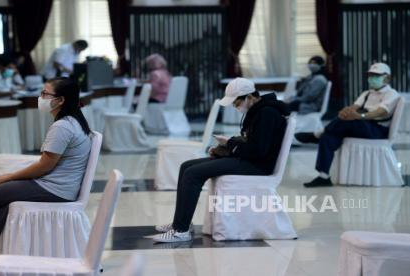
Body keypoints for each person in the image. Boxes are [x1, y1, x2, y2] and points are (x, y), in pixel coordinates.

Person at [0, 77, 92, 269]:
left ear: (60, 100)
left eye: (45, 94)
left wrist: (10, 177)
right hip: (59, 185)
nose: (41, 97)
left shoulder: (62, 126)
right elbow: (48, 164)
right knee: (1, 198)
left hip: (54, 189)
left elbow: (44, 166)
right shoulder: (73, 121)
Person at [152, 77, 290, 243]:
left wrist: (230, 144)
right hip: (249, 160)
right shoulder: (258, 111)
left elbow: (258, 151)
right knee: (186, 166)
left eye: (236, 102)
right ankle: (181, 224)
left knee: (193, 174)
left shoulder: (267, 113)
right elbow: (252, 143)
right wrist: (224, 148)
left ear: (249, 97)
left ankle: (180, 231)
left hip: (257, 165)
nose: (235, 106)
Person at [296, 63, 400, 188]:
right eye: (370, 75)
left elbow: (380, 112)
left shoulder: (392, 94)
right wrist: (346, 112)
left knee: (348, 121)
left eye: (376, 75)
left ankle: (317, 133)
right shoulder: (367, 93)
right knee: (328, 136)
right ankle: (323, 176)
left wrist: (359, 116)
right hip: (359, 125)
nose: (372, 78)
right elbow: (354, 108)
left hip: (377, 130)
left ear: (387, 78)